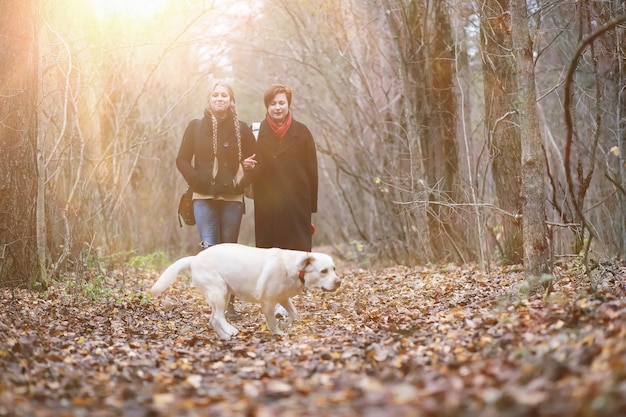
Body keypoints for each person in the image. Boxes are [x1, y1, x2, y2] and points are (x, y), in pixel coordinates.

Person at [176, 80, 257, 316]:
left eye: (224, 95)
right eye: (215, 95)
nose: (219, 99)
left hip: (232, 198)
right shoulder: (195, 126)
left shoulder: (242, 129)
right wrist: (197, 180)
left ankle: (229, 302)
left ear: (232, 101)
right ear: (209, 100)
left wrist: (241, 181)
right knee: (210, 250)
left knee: (229, 251)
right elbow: (181, 160)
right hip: (203, 196)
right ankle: (216, 304)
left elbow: (256, 163)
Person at [252, 84, 318, 253]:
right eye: (273, 103)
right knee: (269, 257)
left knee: (299, 256)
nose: (277, 107)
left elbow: (312, 171)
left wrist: (310, 207)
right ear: (267, 106)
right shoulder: (256, 133)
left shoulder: (303, 132)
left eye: (281, 103)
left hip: (297, 204)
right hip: (267, 205)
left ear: (288, 104)